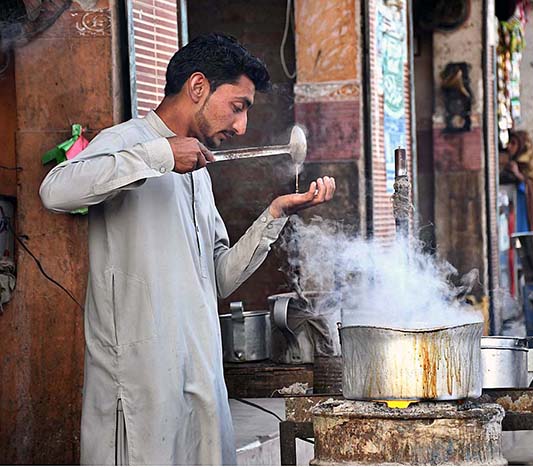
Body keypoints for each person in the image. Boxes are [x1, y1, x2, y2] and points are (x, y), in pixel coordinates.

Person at [39, 33, 336, 465]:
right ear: (198, 87)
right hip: (140, 390)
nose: (241, 128)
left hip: (199, 379)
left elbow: (217, 277)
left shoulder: (198, 172)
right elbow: (55, 191)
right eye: (238, 107)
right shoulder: (129, 141)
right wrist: (158, 155)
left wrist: (275, 214)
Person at [499, 130, 533, 232]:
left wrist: (518, 175)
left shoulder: (532, 167)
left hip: (525, 212)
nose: (509, 147)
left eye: (513, 143)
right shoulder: (509, 163)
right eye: (509, 143)